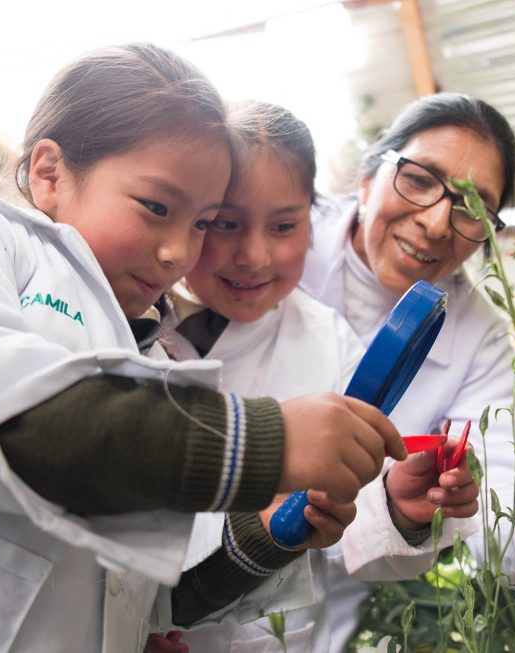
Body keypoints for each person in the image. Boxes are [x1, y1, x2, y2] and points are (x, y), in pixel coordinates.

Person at [0, 45, 407, 653]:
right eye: (157, 207)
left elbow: (141, 592)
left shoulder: (156, 362)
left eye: (199, 223)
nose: (178, 253)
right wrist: (262, 442)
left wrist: (265, 538)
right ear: (49, 172)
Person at [145, 100, 479, 653]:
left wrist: (396, 501)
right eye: (225, 223)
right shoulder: (131, 321)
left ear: (313, 218)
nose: (253, 255)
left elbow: (351, 505)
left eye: (284, 225)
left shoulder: (330, 343)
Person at [303, 92, 515, 616]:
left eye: (473, 207)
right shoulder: (281, 246)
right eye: (420, 179)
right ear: (366, 179)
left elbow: (493, 467)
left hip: (325, 615)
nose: (436, 223)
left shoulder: (478, 332)